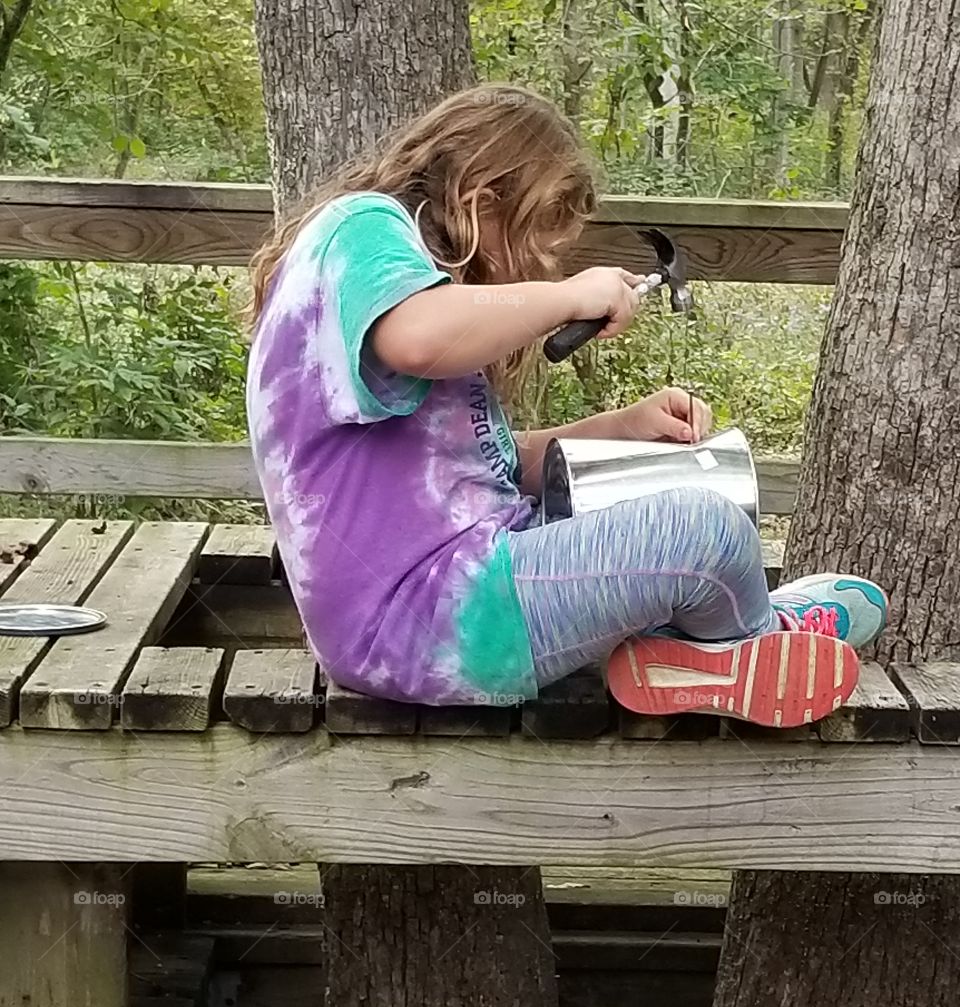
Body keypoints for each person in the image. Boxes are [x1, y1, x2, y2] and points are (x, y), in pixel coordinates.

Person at [246, 84, 887, 728]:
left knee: (655, 524)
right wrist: (571, 295)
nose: (546, 265)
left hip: (453, 607)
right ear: (483, 196)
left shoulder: (408, 291)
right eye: (541, 241)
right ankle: (764, 636)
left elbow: (483, 468)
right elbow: (419, 337)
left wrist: (626, 428)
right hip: (426, 621)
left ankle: (694, 656)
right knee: (708, 528)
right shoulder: (360, 226)